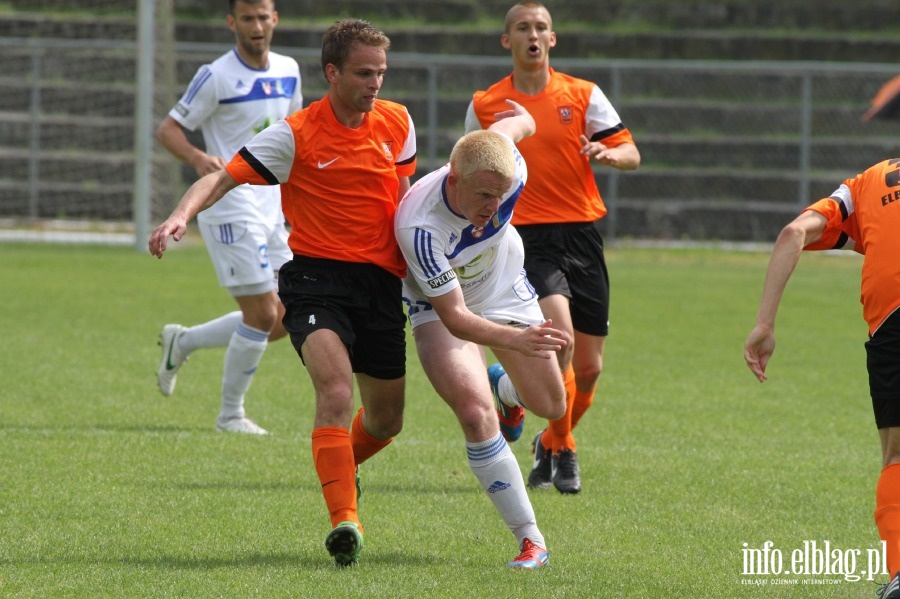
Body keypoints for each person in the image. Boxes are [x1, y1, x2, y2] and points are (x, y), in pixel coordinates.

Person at [149, 18, 417, 567]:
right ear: (332, 73)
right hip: (315, 281)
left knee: (387, 419)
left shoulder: (397, 123)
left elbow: (408, 198)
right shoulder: (296, 134)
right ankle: (345, 520)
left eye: (381, 73)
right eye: (364, 73)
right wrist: (180, 215)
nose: (375, 84)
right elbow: (221, 177)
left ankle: (342, 465)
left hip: (380, 285)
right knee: (336, 393)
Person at [465, 1, 640, 494]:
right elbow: (469, 165)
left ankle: (549, 436)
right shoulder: (485, 104)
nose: (533, 35)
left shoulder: (583, 94)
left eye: (541, 27)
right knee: (558, 335)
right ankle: (563, 449)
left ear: (553, 38)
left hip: (582, 235)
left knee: (589, 368)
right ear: (508, 41)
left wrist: (609, 154)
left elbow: (632, 152)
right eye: (523, 28)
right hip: (527, 238)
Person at [395, 99, 567, 569]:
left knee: (553, 406)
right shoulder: (420, 227)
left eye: (501, 196)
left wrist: (524, 116)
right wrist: (517, 341)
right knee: (474, 414)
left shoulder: (510, 168)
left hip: (504, 282)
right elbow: (454, 318)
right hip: (440, 306)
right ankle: (532, 541)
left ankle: (507, 390)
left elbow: (519, 125)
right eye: (483, 196)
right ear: (454, 178)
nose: (492, 208)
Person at [743, 158, 900, 598]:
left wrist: (765, 325)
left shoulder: (868, 182)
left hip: (893, 320)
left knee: (896, 455)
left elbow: (795, 232)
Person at [154, 0, 302, 435]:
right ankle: (230, 415)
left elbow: (293, 132)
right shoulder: (216, 74)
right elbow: (168, 129)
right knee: (260, 315)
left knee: (287, 314)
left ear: (275, 19)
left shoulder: (289, 69)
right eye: (247, 18)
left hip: (272, 206)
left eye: (263, 17)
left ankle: (184, 341)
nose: (256, 26)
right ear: (232, 22)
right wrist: (199, 157)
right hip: (230, 204)